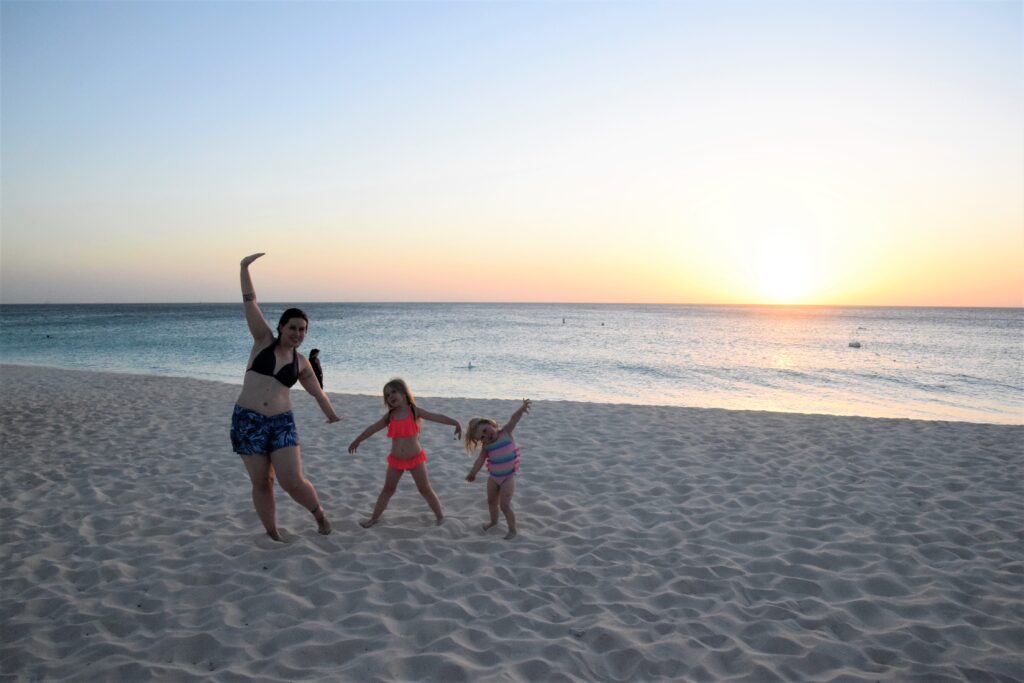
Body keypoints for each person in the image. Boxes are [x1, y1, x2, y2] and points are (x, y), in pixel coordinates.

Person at [231, 253, 341, 541]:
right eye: (292, 327)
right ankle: (273, 533)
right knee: (262, 482)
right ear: (281, 327)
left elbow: (317, 393)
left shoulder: (301, 363)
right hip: (248, 421)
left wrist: (331, 414)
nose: (297, 333)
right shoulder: (262, 341)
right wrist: (244, 268)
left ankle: (319, 514)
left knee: (292, 481)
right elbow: (250, 301)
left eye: (302, 330)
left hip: (281, 423)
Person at [348, 378, 461, 528]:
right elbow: (373, 428)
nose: (391, 396)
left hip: (415, 459)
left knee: (425, 489)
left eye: (393, 392)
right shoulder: (390, 416)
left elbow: (436, 417)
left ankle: (440, 517)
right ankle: (374, 518)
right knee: (388, 490)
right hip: (396, 460)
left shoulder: (414, 411)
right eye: (387, 395)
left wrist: (455, 422)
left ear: (404, 393)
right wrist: (358, 440)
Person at [465, 399, 531, 540]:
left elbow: (514, 419)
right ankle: (494, 521)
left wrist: (522, 409)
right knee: (491, 501)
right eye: (482, 437)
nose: (486, 436)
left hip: (508, 477)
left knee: (505, 505)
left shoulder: (505, 432)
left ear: (491, 424)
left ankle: (512, 530)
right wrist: (472, 473)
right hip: (494, 478)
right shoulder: (486, 446)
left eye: (485, 430)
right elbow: (480, 461)